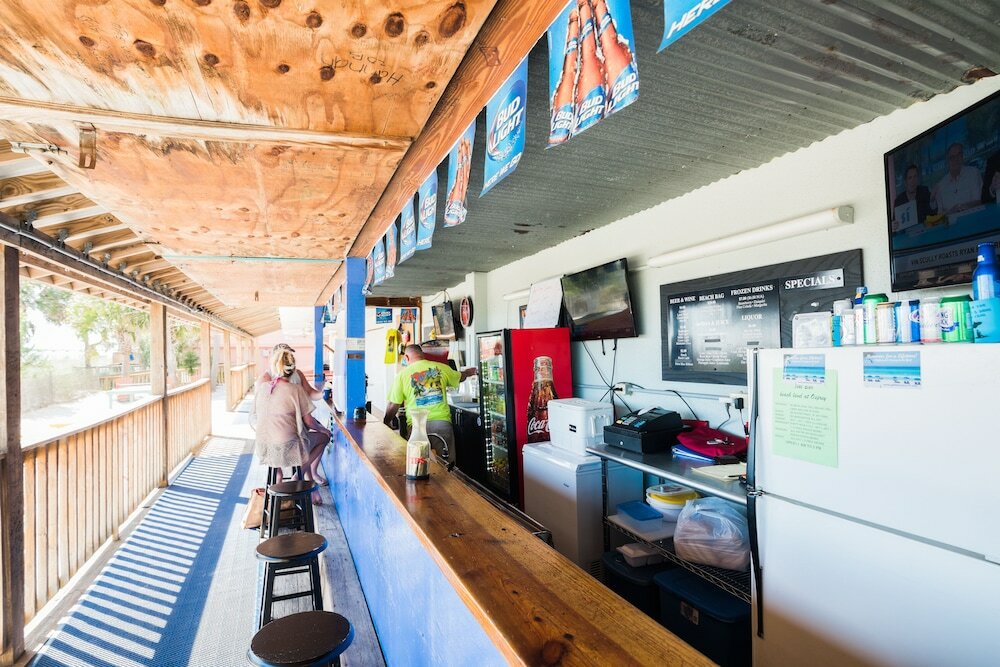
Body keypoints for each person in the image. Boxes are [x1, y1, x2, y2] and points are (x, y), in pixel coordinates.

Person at [253, 347, 331, 504]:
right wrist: (324, 430)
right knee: (321, 438)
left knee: (303, 439)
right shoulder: (294, 389)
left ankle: (281, 501)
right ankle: (299, 476)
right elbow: (309, 422)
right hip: (286, 447)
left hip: (264, 447)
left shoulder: (263, 387)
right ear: (292, 369)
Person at [383, 344, 477, 458]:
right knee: (446, 466)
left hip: (417, 428)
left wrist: (386, 422)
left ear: (406, 358)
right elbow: (459, 377)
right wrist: (468, 372)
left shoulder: (402, 375)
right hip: (442, 425)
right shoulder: (440, 368)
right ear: (422, 355)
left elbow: (394, 404)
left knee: (418, 466)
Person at [932, 142, 983, 214]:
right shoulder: (941, 185)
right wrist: (951, 211)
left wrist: (964, 206)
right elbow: (940, 214)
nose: (956, 159)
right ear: (947, 161)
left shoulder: (973, 173)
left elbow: (980, 201)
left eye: (959, 155)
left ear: (962, 156)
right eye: (952, 157)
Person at [893, 164, 936, 230]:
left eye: (915, 177)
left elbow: (934, 214)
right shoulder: (899, 201)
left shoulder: (925, 192)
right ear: (905, 182)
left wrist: (933, 202)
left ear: (918, 179)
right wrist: (893, 226)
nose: (913, 181)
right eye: (910, 178)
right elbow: (894, 224)